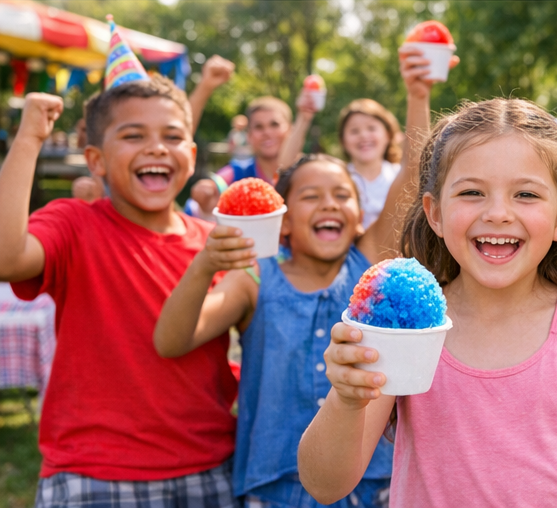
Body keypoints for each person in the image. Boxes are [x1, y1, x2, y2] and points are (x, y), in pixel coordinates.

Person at [297, 98, 557, 507]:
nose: (497, 213)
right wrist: (346, 398)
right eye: (472, 192)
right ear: (434, 213)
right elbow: (325, 484)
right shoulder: (405, 330)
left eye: (525, 194)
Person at [153, 46, 441, 508]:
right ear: (283, 221)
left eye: (342, 195)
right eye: (312, 196)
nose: (330, 204)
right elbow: (172, 340)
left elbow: (413, 172)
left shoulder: (367, 261)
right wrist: (206, 264)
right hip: (275, 488)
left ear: (358, 210)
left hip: (371, 485)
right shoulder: (254, 279)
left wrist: (417, 93)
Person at [0, 80, 238, 506]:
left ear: (192, 155)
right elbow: (7, 258)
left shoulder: (216, 243)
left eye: (172, 136)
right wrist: (30, 137)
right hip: (94, 473)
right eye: (133, 135)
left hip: (208, 468)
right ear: (96, 160)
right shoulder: (74, 223)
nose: (157, 148)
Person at [279, 95, 404, 229]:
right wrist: (303, 119)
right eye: (354, 131)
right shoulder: (338, 178)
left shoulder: (401, 175)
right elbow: (285, 169)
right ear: (343, 141)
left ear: (388, 134)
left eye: (371, 128)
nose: (363, 135)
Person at [186, 96, 294, 220]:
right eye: (259, 127)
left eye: (274, 125)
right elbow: (197, 205)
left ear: (290, 129)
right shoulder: (235, 174)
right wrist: (204, 201)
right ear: (248, 135)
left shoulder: (305, 174)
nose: (267, 132)